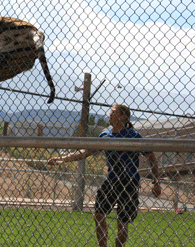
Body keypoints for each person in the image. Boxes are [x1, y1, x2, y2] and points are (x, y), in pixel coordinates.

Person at [47, 103, 162, 247]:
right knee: (99, 215)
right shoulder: (105, 135)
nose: (110, 115)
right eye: (111, 112)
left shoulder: (133, 136)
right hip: (112, 180)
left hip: (129, 182)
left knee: (122, 223)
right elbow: (85, 152)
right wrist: (61, 160)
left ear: (123, 117)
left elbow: (151, 157)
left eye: (114, 112)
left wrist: (156, 182)